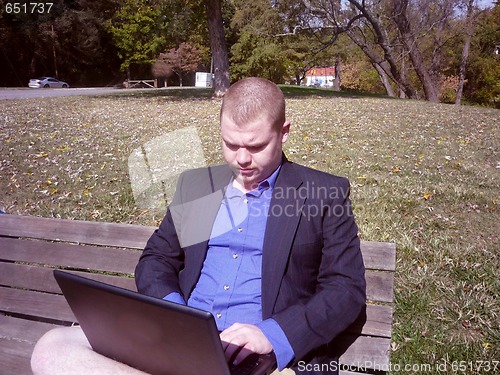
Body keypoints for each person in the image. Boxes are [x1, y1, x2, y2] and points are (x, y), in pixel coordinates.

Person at [31, 77, 366, 375]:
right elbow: (156, 260)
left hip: (259, 361)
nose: (242, 159)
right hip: (178, 344)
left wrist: (272, 335)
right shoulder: (199, 187)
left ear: (284, 132)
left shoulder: (322, 193)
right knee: (52, 348)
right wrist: (175, 316)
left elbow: (345, 288)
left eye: (256, 146)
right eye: (231, 144)